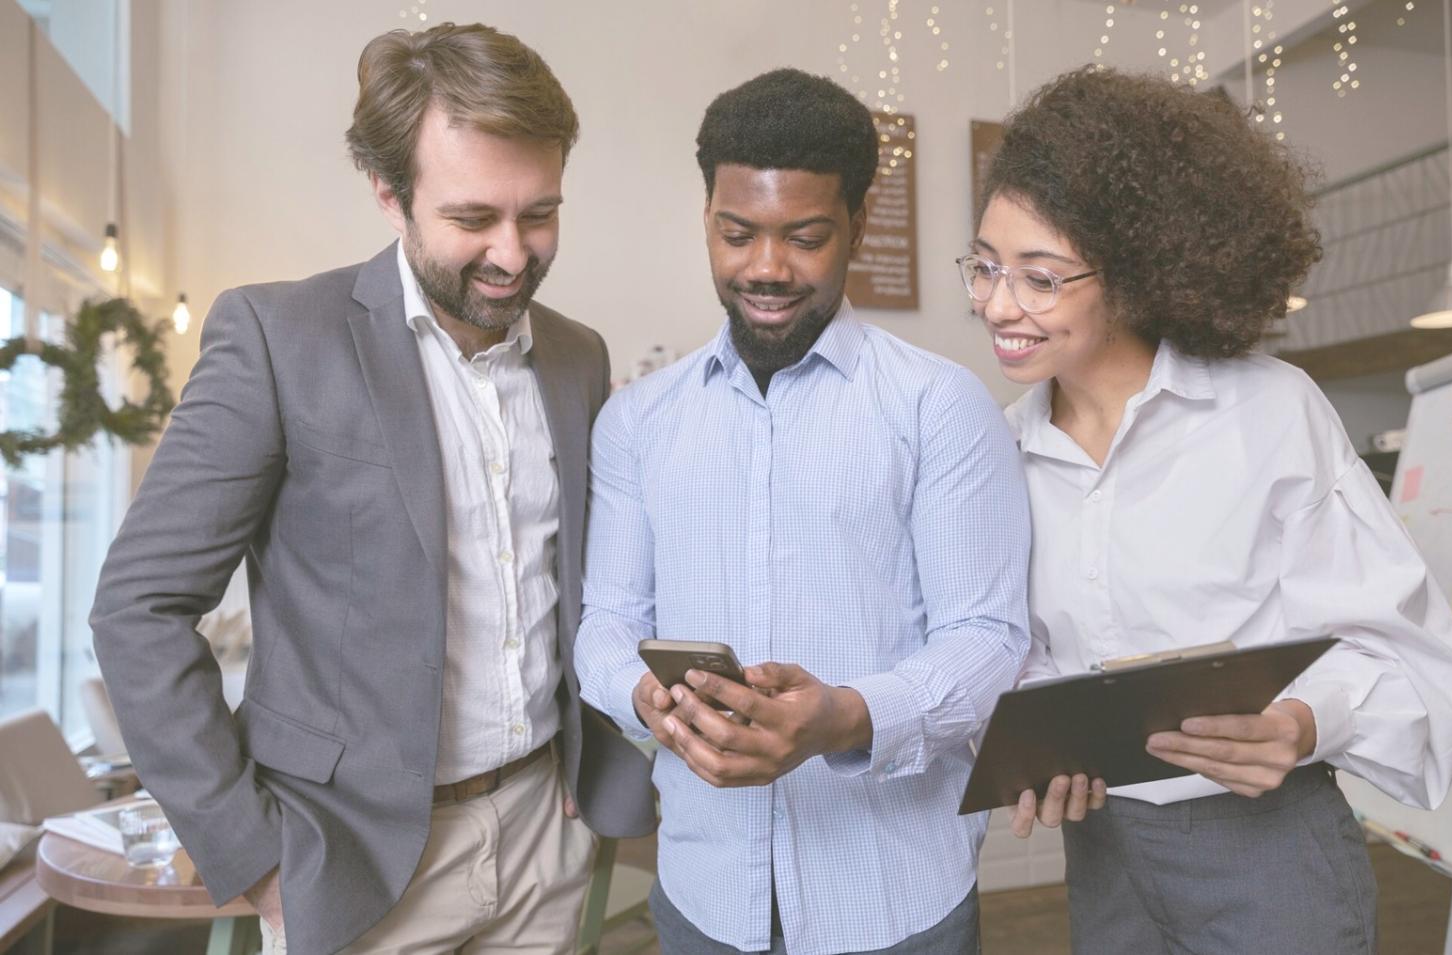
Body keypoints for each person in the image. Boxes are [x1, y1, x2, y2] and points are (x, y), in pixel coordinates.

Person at [89, 23, 655, 955]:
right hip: (348, 864)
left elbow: (580, 582)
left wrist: (582, 753)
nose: (514, 254)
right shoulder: (277, 338)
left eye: (540, 212)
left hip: (543, 839)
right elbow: (138, 608)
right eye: (473, 219)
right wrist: (257, 857)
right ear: (389, 194)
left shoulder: (577, 355)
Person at [966, 67, 1452, 953]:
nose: (996, 304)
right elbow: (1031, 654)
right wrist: (1039, 748)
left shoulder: (1267, 413)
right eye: (982, 266)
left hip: (1269, 850)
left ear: (1131, 272)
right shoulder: (1001, 451)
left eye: (1040, 277)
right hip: (1104, 851)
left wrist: (1297, 722)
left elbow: (1410, 659)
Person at [575, 68, 1029, 954]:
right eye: (736, 233)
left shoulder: (940, 405)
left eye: (806, 237)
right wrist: (645, 697)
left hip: (895, 896)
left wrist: (846, 717)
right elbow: (606, 621)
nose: (766, 268)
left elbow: (989, 636)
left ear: (858, 225)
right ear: (706, 218)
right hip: (702, 892)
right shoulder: (635, 421)